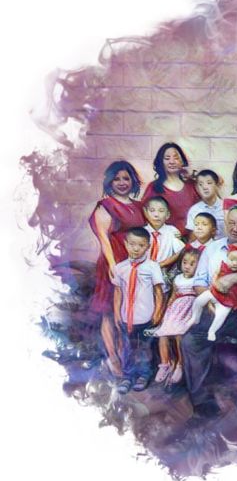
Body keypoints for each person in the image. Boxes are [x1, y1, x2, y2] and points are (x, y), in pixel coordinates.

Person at [184, 205, 237, 415]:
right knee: (190, 341)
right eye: (231, 223)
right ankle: (203, 402)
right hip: (215, 309)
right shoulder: (213, 249)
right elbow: (199, 282)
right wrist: (210, 302)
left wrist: (234, 277)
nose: (235, 228)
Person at [88, 160, 145, 377]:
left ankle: (124, 355)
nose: (122, 182)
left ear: (133, 181)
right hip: (113, 263)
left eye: (126, 178)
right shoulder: (105, 205)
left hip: (134, 264)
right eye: (117, 178)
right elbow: (103, 238)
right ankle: (112, 357)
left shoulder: (138, 206)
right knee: (109, 312)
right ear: (110, 181)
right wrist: (114, 266)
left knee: (126, 311)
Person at [111, 227, 164, 394]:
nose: (136, 248)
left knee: (145, 348)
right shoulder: (120, 268)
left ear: (148, 246)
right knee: (127, 347)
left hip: (146, 316)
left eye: (141, 245)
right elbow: (118, 292)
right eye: (132, 244)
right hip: (126, 317)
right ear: (125, 244)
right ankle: (127, 376)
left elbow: (158, 292)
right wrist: (117, 313)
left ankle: (144, 375)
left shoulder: (152, 267)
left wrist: (157, 313)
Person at [145, 249, 201, 385]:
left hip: (188, 310)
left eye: (192, 264)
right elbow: (173, 295)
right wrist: (167, 309)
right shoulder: (178, 278)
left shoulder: (198, 280)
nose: (187, 266)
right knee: (163, 335)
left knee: (178, 335)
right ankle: (165, 363)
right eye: (185, 262)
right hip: (175, 310)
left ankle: (180, 364)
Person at [188, 244, 237, 341]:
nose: (234, 263)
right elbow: (215, 275)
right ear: (227, 258)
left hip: (228, 300)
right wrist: (215, 284)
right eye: (232, 260)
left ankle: (212, 331)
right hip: (215, 292)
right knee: (199, 301)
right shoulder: (222, 266)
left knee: (220, 316)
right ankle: (195, 317)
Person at [141, 142, 199, 236]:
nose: (172, 162)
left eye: (176, 158)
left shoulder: (192, 185)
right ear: (161, 162)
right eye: (167, 158)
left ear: (182, 161)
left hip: (193, 238)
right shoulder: (154, 187)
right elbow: (144, 214)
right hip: (165, 239)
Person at [142, 196, 185, 274]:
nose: (156, 215)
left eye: (161, 211)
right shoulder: (142, 232)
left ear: (168, 215)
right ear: (146, 213)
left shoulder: (172, 231)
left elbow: (181, 251)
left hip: (163, 271)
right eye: (152, 211)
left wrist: (162, 264)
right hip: (143, 271)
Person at [186, 169, 225, 240]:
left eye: (209, 183)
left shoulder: (226, 207)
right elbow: (192, 238)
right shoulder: (194, 210)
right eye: (200, 184)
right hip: (202, 246)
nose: (205, 187)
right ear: (197, 188)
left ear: (216, 185)